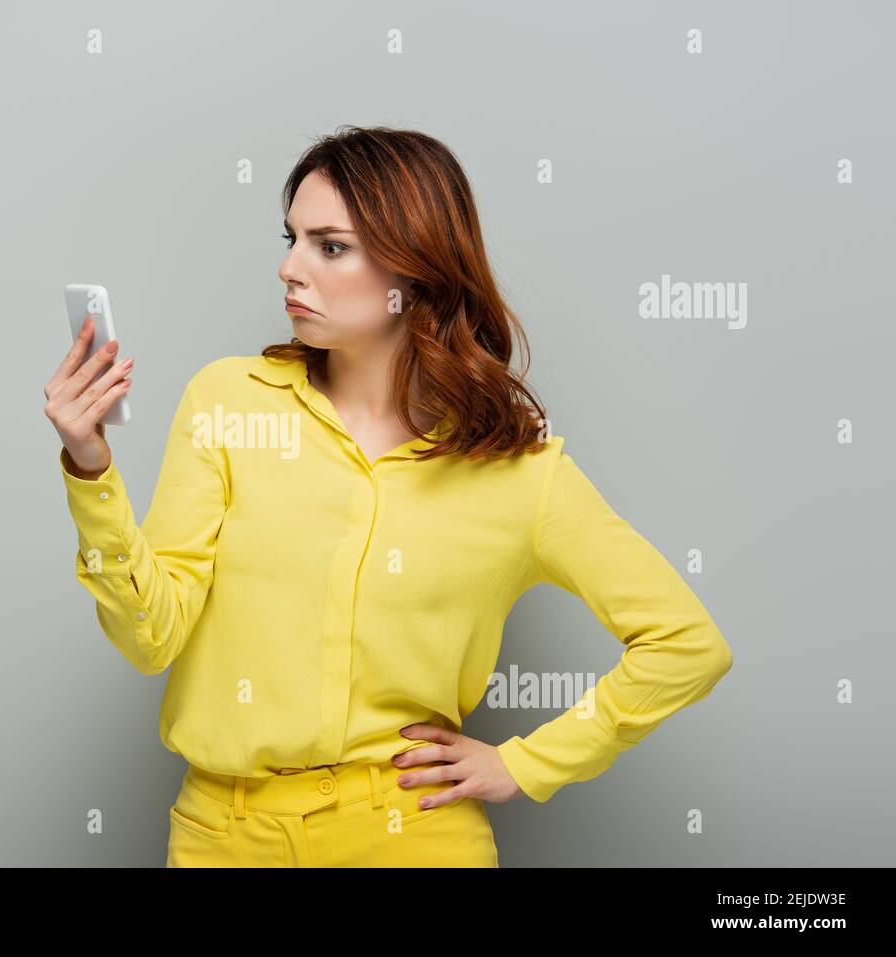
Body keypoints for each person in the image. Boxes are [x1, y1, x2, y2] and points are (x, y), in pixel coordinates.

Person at [43, 125, 733, 867]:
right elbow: (151, 638)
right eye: (292, 238)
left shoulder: (518, 470)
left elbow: (687, 645)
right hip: (223, 836)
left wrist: (526, 764)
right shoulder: (227, 401)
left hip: (412, 837)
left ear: (416, 269)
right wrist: (91, 468)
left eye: (329, 246)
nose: (288, 267)